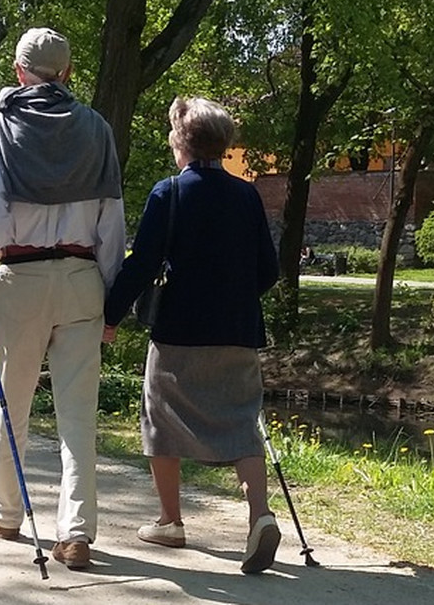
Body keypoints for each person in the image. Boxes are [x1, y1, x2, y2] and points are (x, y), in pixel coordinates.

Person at [0, 27, 125, 571]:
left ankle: (7, 511)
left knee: (13, 401)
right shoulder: (97, 129)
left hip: (21, 277)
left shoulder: (0, 125)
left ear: (17, 69)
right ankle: (76, 532)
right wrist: (110, 290)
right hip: (82, 278)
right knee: (78, 413)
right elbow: (111, 221)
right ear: (69, 73)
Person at [102, 97, 281, 574]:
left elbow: (141, 264)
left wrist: (110, 315)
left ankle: (170, 520)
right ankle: (260, 515)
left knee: (161, 419)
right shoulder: (247, 195)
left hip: (178, 330)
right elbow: (269, 269)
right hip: (238, 330)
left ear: (180, 141)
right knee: (242, 421)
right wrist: (235, 298)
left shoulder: (169, 193)